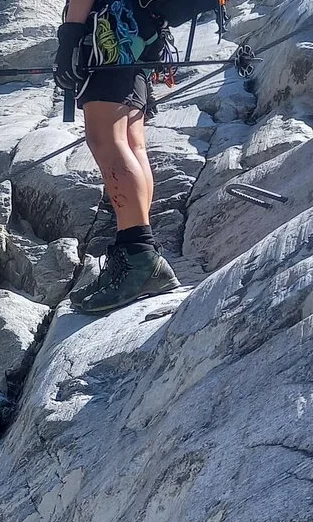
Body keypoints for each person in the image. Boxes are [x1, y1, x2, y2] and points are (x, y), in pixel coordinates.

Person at [55, 0, 182, 313]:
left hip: (109, 29)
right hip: (139, 28)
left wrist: (70, 35)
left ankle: (139, 258)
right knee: (130, 141)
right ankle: (140, 250)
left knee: (105, 138)